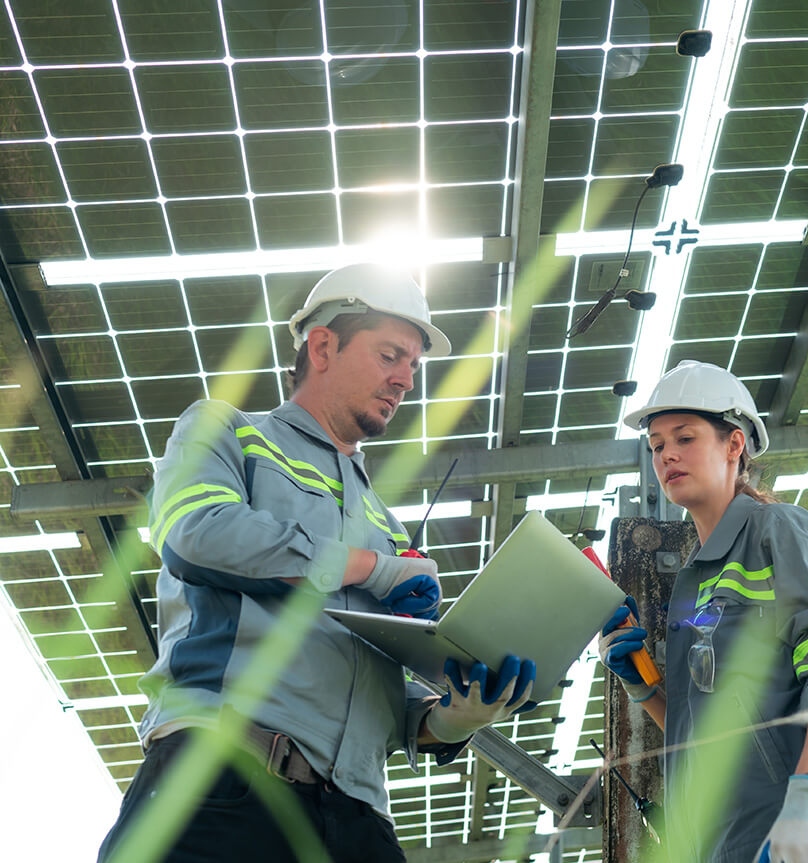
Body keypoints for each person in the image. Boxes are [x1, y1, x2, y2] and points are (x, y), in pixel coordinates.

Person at [99, 263, 536, 863]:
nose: (405, 379)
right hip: (223, 779)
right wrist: (372, 569)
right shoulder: (226, 431)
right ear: (323, 345)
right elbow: (196, 534)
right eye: (390, 355)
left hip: (358, 822)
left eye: (413, 364)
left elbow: (370, 682)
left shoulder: (388, 527)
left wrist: (454, 718)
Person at [598, 360, 808, 863]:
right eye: (656, 446)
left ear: (734, 444)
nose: (667, 453)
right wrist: (644, 688)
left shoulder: (778, 531)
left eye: (685, 438)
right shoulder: (695, 581)